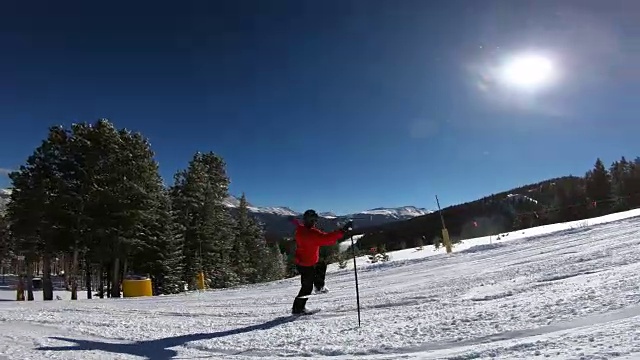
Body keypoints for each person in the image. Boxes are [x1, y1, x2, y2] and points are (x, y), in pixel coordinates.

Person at [289, 210, 352, 315]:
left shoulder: (300, 230)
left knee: (321, 265)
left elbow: (298, 225)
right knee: (306, 288)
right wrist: (343, 230)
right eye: (314, 220)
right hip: (308, 263)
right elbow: (328, 239)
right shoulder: (313, 234)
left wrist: (293, 221)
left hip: (301, 261)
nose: (315, 223)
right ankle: (298, 309)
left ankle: (319, 286)